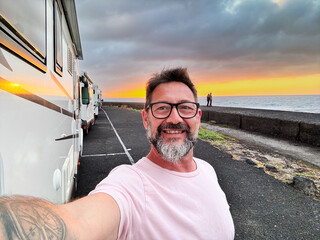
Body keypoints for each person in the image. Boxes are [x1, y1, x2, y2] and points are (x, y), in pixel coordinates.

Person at [0, 68, 235, 240]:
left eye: (185, 107)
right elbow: (77, 224)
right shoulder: (131, 184)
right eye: (162, 108)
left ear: (198, 117)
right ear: (146, 119)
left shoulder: (208, 170)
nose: (175, 118)